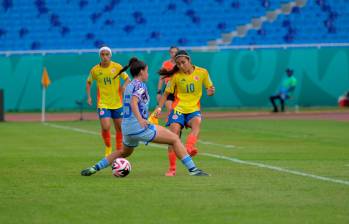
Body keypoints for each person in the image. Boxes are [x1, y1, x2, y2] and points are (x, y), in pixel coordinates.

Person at [81, 57, 209, 177]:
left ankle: (94, 168)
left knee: (123, 152)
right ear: (141, 72)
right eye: (147, 71)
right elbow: (134, 102)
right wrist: (141, 119)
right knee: (175, 139)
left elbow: (134, 104)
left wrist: (148, 116)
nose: (148, 74)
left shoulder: (130, 85)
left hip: (127, 128)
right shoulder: (140, 85)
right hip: (139, 127)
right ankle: (193, 170)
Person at [154, 50, 215, 176]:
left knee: (197, 123)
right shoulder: (175, 76)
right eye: (178, 64)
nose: (181, 66)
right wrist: (159, 108)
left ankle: (189, 148)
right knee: (173, 136)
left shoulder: (202, 72)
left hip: (193, 109)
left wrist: (210, 92)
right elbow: (166, 94)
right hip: (178, 110)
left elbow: (210, 88)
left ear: (189, 60)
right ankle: (172, 169)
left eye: (183, 62)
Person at [86, 46, 131, 156]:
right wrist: (89, 97)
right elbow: (88, 82)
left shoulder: (117, 67)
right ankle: (108, 147)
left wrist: (124, 86)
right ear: (100, 56)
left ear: (110, 55)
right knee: (106, 127)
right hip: (103, 103)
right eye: (103, 54)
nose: (105, 56)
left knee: (119, 127)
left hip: (117, 103)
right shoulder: (95, 70)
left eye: (107, 54)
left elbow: (127, 79)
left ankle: (119, 149)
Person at [156, 46, 179, 177]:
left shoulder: (183, 65)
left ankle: (175, 120)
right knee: (170, 107)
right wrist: (159, 91)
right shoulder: (166, 64)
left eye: (175, 52)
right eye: (172, 52)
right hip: (168, 90)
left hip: (180, 91)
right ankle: (172, 119)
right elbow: (161, 78)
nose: (173, 54)